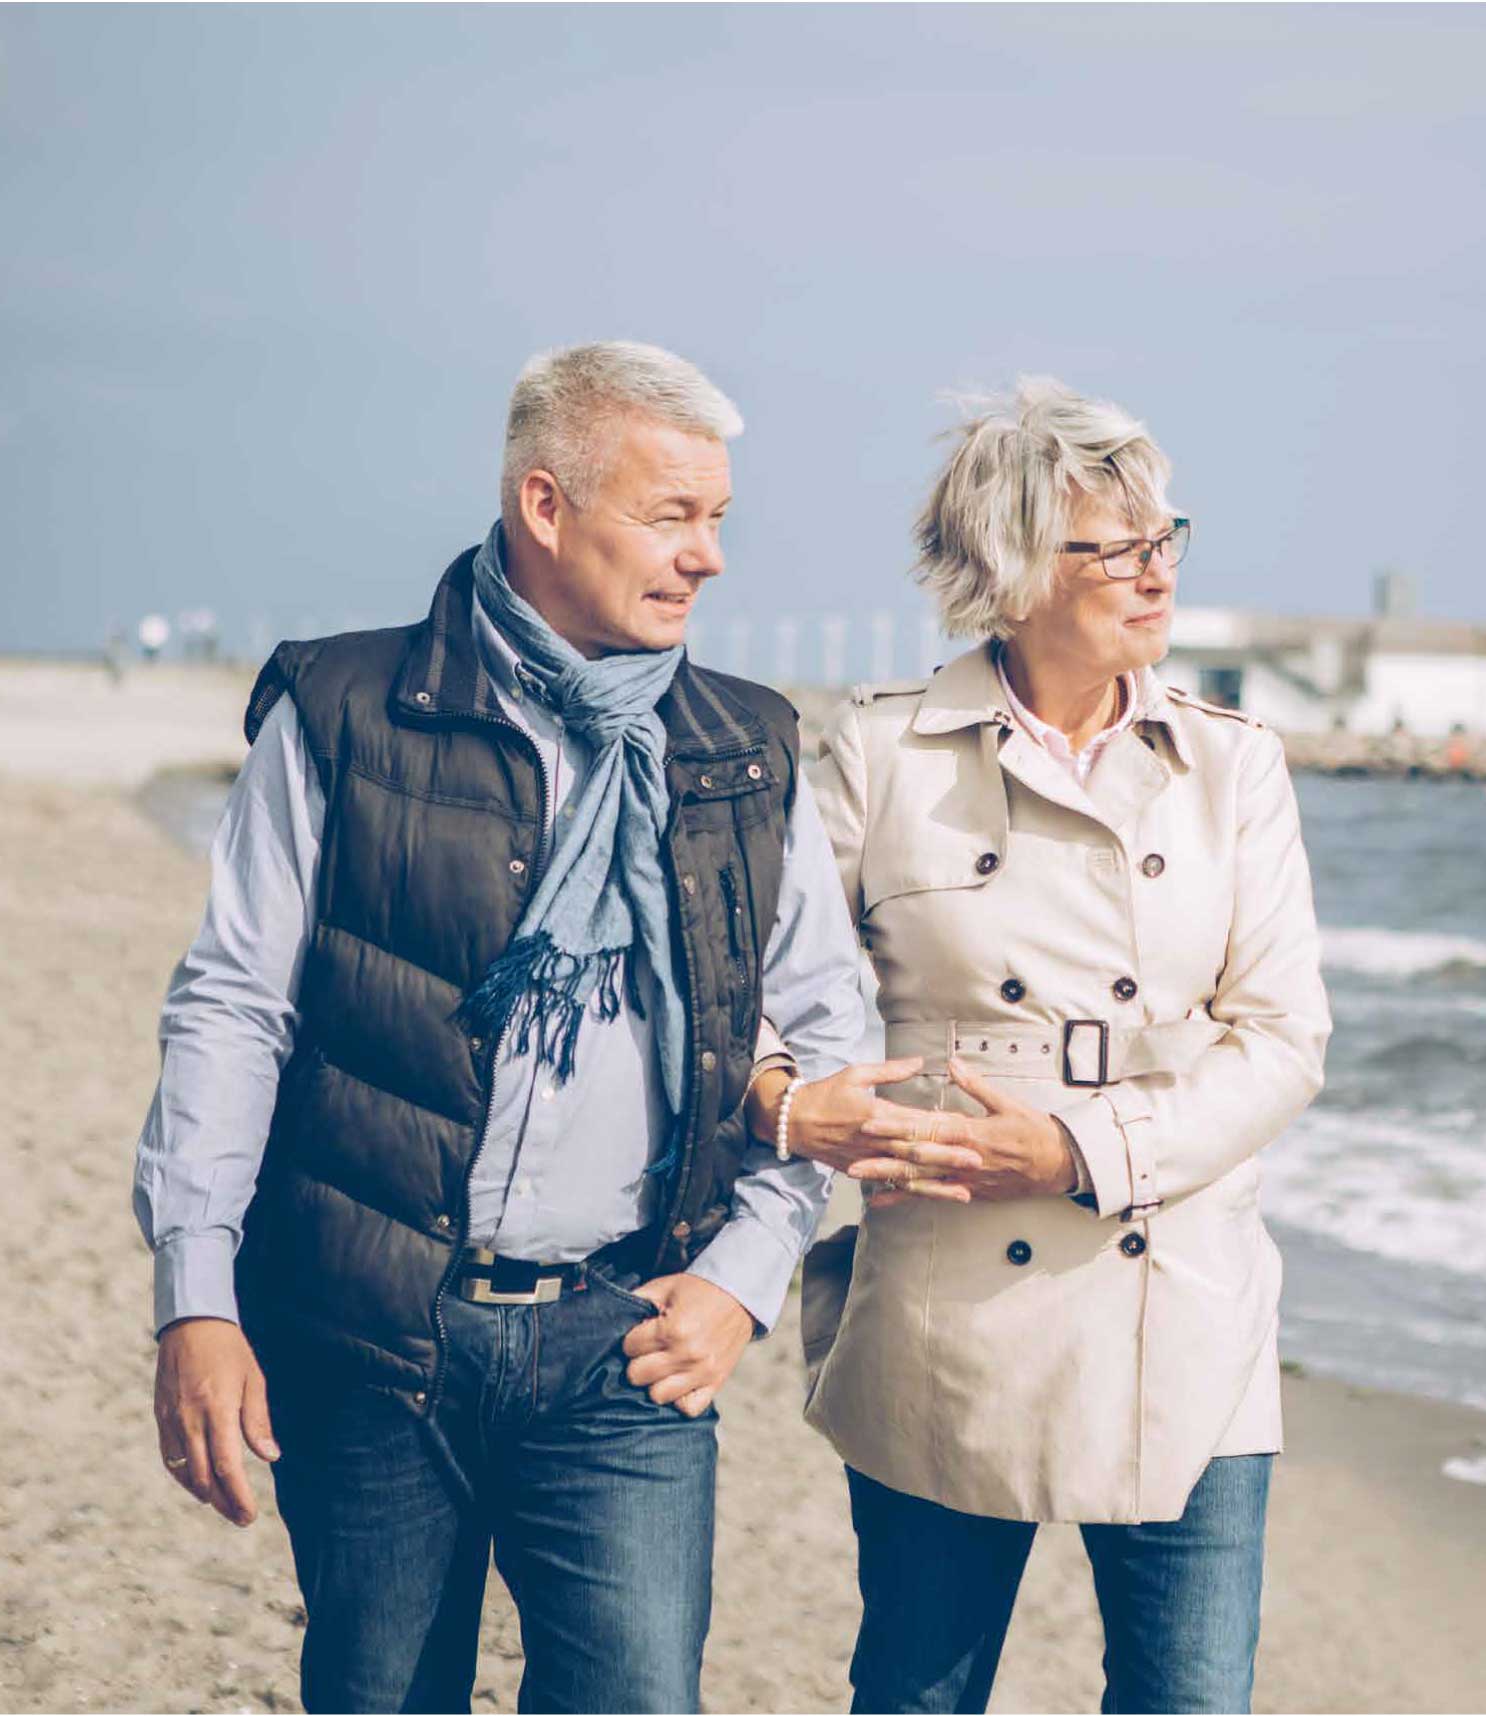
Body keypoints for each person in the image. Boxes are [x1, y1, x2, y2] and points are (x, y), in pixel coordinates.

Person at [132, 341, 939, 1713]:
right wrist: (194, 1299)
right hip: (372, 1329)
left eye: (720, 521)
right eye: (672, 516)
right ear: (545, 507)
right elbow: (234, 1011)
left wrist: (743, 1279)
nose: (711, 559)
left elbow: (825, 1031)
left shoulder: (743, 746)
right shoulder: (343, 708)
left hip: (630, 1333)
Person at [762, 378, 1330, 1713]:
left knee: (1188, 1701)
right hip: (954, 1301)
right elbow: (774, 1007)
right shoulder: (884, 755)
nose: (1154, 574)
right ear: (1011, 573)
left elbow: (1283, 1037)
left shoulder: (1231, 765)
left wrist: (1077, 1146)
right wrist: (802, 1117)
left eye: (1162, 538)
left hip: (1182, 1301)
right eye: (1113, 546)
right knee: (916, 1694)